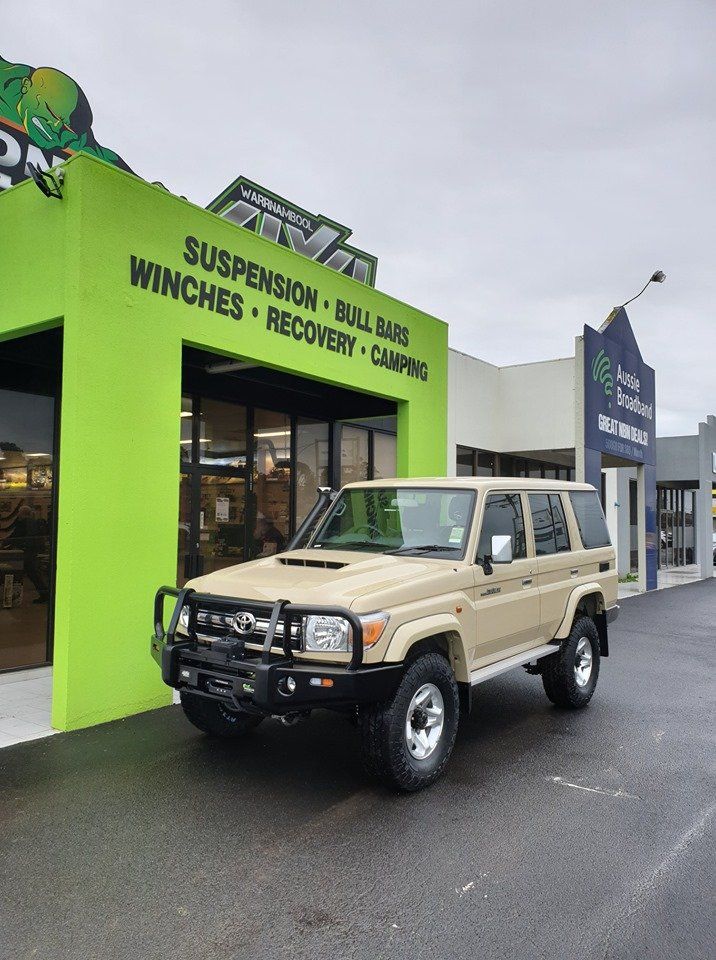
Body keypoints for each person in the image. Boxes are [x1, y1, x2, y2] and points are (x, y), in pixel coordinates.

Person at [7, 504, 49, 603]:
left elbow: (16, 535)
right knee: (33, 574)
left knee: (31, 573)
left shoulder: (23, 522)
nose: (18, 514)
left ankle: (44, 594)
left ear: (22, 513)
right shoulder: (33, 522)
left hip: (27, 552)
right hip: (32, 551)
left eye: (19, 512)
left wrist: (5, 543)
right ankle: (44, 594)